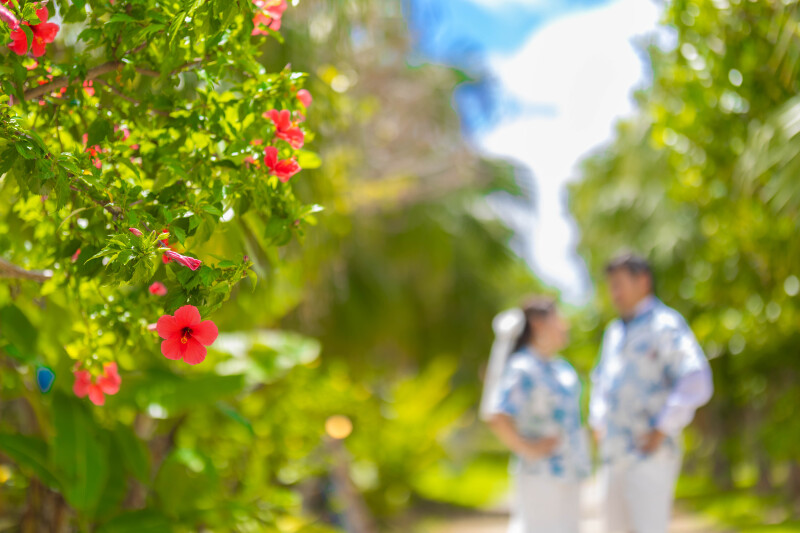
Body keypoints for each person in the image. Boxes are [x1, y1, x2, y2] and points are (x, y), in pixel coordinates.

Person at [590, 253, 714, 533]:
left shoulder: (665, 324)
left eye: (620, 284)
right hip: (613, 456)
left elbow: (696, 379)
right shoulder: (614, 332)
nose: (614, 293)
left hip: (649, 454)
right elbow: (600, 381)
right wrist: (597, 422)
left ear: (643, 281)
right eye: (611, 286)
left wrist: (662, 427)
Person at [481, 296, 590, 533]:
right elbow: (497, 415)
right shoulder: (523, 367)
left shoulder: (561, 367)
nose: (565, 324)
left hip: (570, 472)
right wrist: (527, 448)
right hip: (540, 473)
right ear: (538, 323)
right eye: (558, 318)